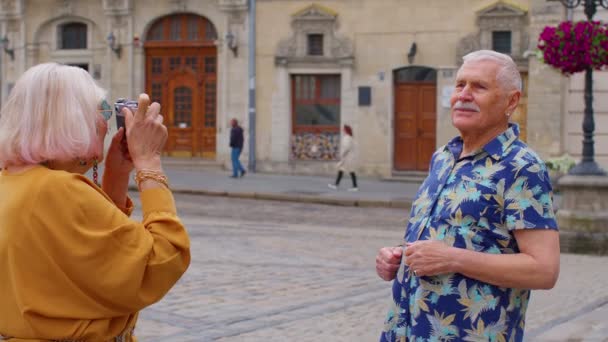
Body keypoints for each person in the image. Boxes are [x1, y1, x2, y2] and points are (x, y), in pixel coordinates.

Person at [376, 50, 560, 341]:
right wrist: (399, 256)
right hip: (407, 330)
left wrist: (452, 259)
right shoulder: (444, 157)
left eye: (480, 87)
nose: (464, 95)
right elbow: (454, 235)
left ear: (510, 101)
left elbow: (543, 270)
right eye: (460, 84)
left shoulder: (521, 166)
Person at [0, 63, 190, 341]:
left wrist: (115, 174)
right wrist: (149, 162)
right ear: (71, 119)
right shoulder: (57, 189)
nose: (105, 122)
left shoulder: (11, 181)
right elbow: (162, 260)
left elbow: (91, 253)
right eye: (102, 110)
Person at [328, 124, 358, 191]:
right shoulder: (350, 137)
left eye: (344, 129)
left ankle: (355, 186)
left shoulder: (347, 138)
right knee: (342, 170)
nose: (343, 130)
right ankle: (336, 185)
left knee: (351, 171)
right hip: (348, 158)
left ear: (346, 130)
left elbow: (346, 148)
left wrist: (342, 155)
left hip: (348, 158)